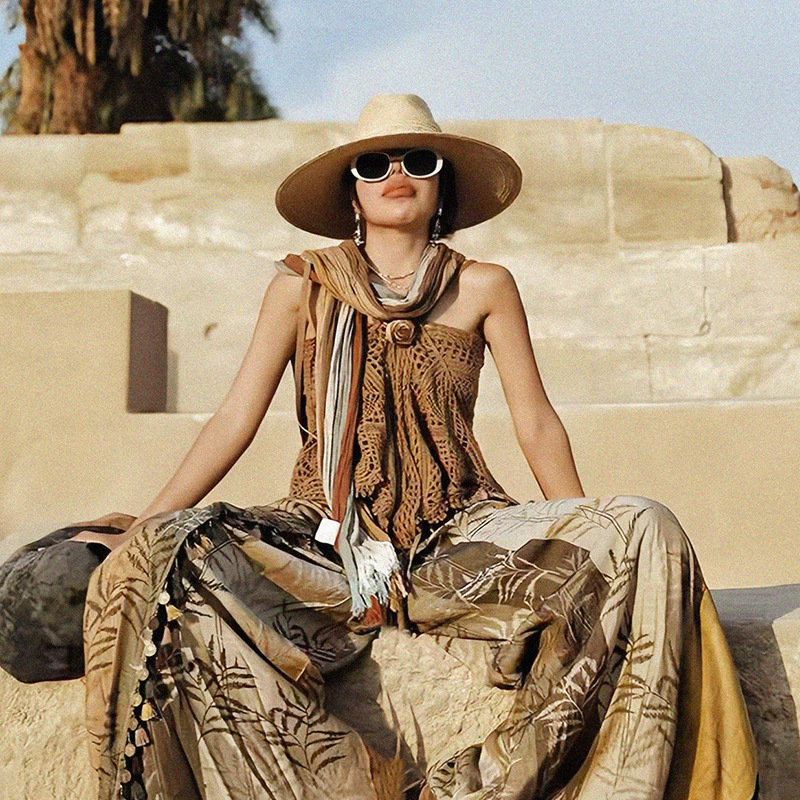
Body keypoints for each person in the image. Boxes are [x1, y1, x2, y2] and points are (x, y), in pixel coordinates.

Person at [77, 94, 757, 800]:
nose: (396, 173)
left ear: (442, 186)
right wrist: (145, 521)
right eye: (374, 164)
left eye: (418, 160)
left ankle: (484, 787)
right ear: (352, 195)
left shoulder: (484, 285)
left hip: (455, 536)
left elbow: (535, 422)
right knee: (169, 554)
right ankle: (332, 784)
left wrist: (585, 544)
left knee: (643, 527)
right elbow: (232, 420)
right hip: (325, 539)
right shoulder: (300, 289)